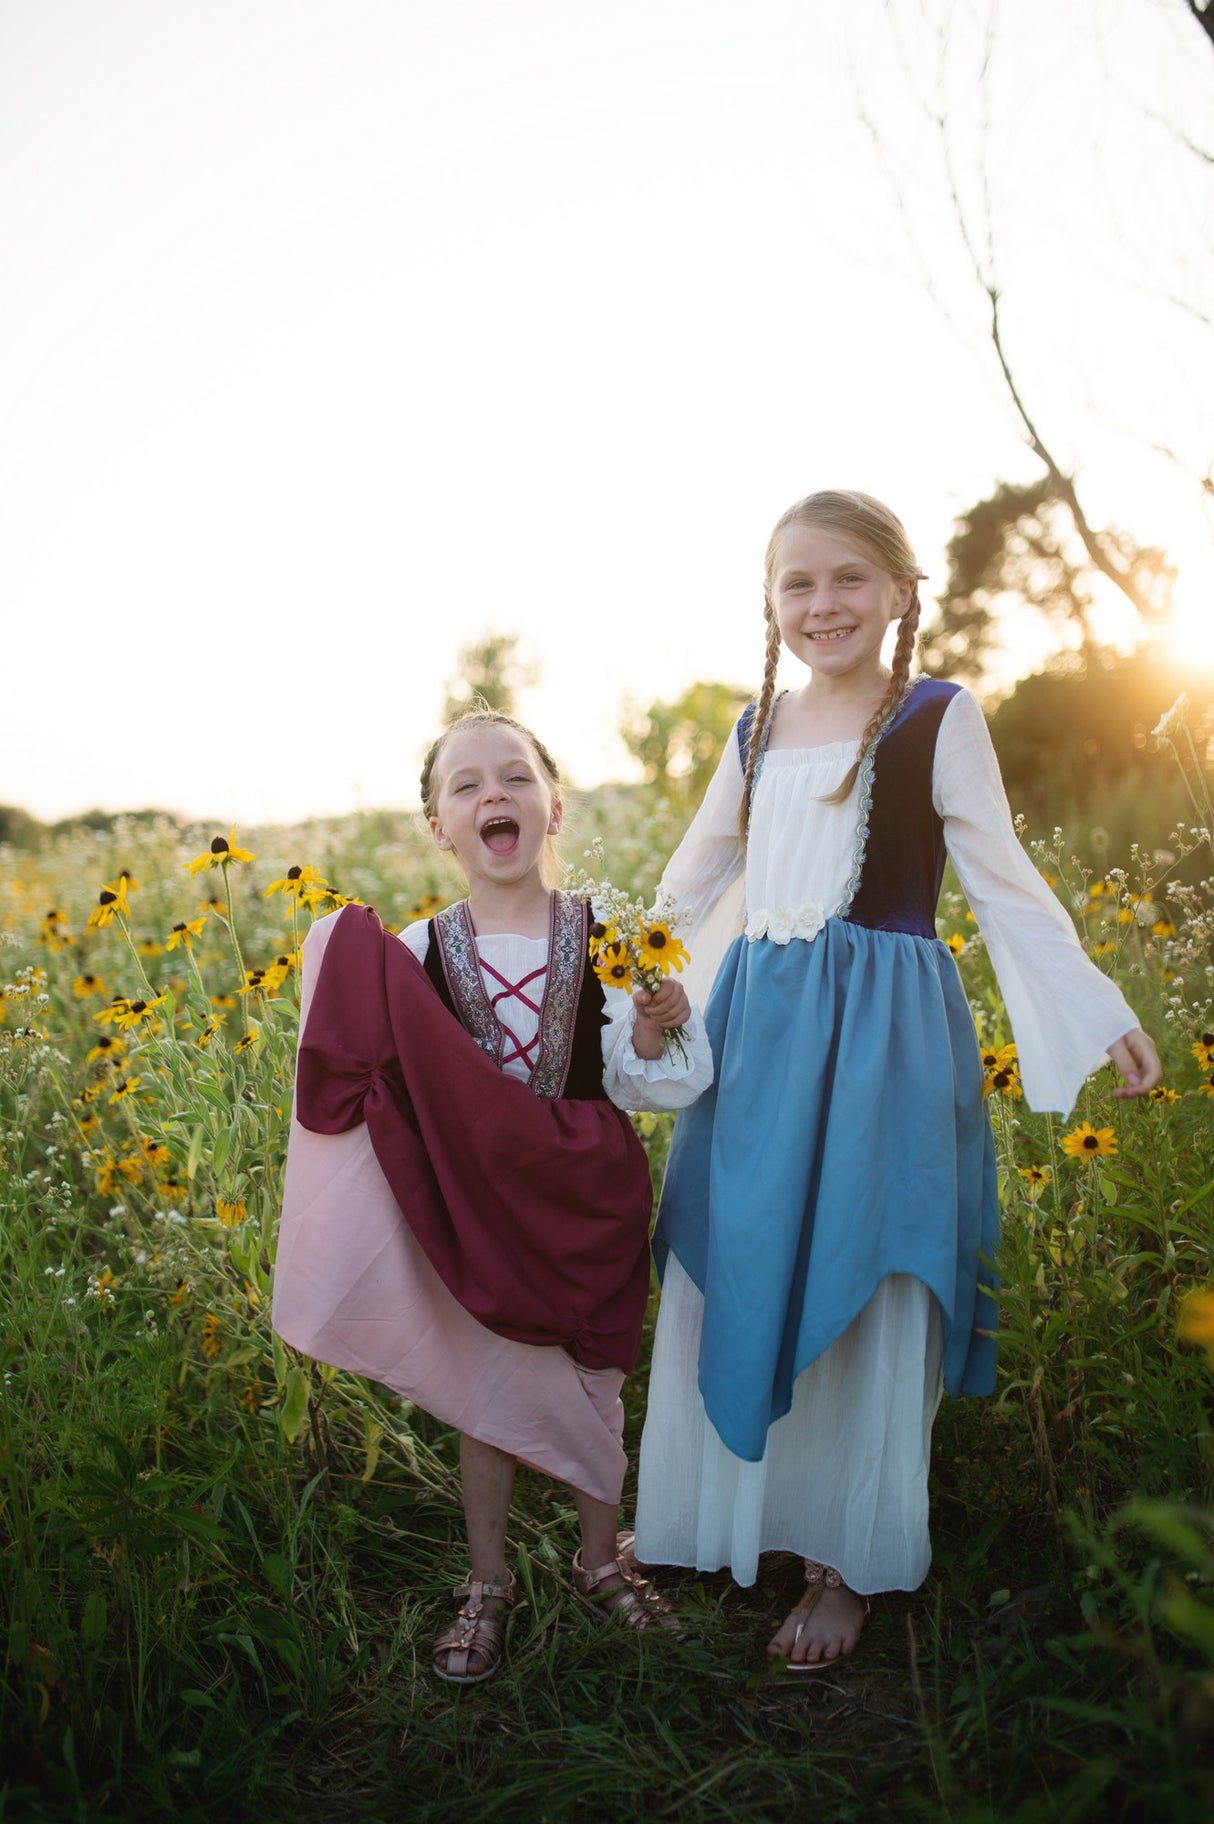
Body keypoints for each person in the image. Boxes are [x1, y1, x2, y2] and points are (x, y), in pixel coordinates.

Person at [632, 489, 1161, 1669]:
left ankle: (838, 1565)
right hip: (757, 1039)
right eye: (797, 584)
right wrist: (614, 980)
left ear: (900, 592)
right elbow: (691, 879)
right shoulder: (751, 730)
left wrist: (1096, 1009)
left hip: (880, 1042)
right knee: (744, 1255)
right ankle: (732, 1519)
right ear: (768, 605)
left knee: (862, 1275)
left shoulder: (934, 715)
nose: (823, 604)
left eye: (847, 579)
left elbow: (1002, 879)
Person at [272, 710, 712, 1685]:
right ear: (438, 825)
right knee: (484, 1389)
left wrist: (649, 1029)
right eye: (464, 786)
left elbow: (660, 1081)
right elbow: (376, 1067)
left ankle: (602, 1558)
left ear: (553, 804)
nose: (492, 797)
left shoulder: (613, 937)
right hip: (476, 1202)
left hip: (586, 1198)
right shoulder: (418, 951)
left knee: (595, 1381)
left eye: (514, 777)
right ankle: (486, 1581)